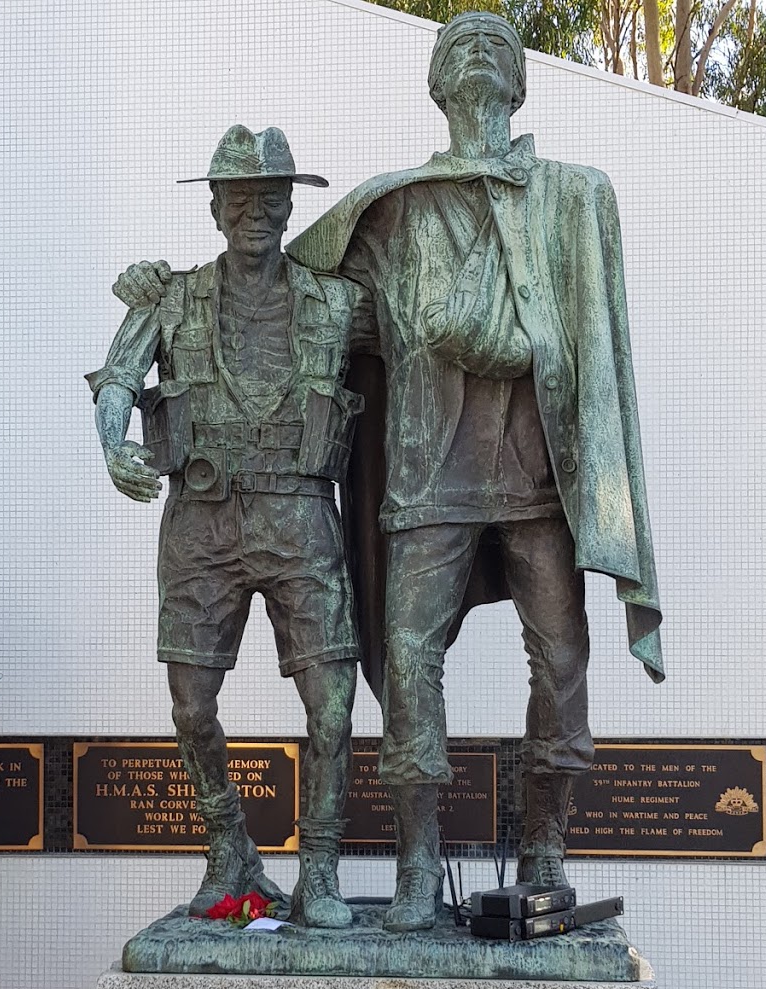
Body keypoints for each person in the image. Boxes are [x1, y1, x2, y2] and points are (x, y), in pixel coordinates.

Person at [284, 11, 664, 929]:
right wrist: (175, 301)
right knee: (410, 660)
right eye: (457, 45)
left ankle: (544, 845)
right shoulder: (393, 211)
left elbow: (587, 343)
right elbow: (305, 301)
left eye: (500, 44)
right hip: (428, 477)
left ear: (521, 85)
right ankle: (419, 861)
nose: (481, 48)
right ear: (436, 84)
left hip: (540, 479)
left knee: (564, 659)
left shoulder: (574, 197)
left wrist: (505, 337)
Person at [87, 125, 369, 927]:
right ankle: (228, 848)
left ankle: (320, 872)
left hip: (301, 516)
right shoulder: (169, 297)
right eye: (239, 196)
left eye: (270, 196)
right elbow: (117, 377)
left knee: (335, 705)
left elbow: (414, 354)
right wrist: (113, 442)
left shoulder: (338, 300)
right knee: (190, 705)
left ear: (290, 206)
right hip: (203, 523)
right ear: (214, 208)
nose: (255, 210)